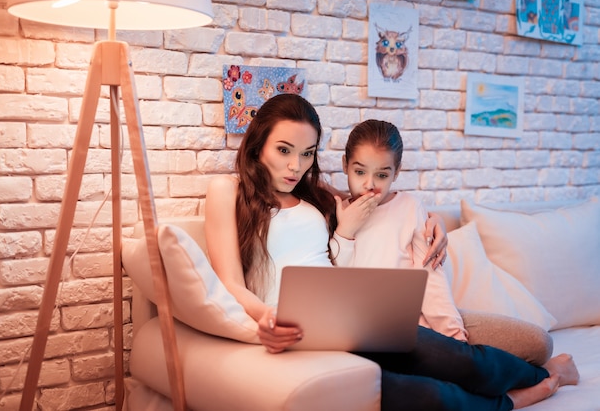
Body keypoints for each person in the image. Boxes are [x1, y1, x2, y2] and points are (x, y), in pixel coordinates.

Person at [205, 93, 579, 410]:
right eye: (284, 150)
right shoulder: (226, 191)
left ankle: (551, 373)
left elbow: (377, 198)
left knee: (457, 360)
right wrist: (265, 316)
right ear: (258, 143)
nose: (295, 166)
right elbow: (230, 284)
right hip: (294, 330)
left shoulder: (313, 194)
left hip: (355, 316)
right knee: (428, 395)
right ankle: (523, 396)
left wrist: (433, 221)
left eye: (307, 154)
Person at [330, 119, 467, 342]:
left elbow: (431, 276)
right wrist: (345, 231)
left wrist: (454, 335)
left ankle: (543, 373)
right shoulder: (336, 212)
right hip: (360, 331)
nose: (369, 184)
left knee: (534, 342)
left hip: (415, 328)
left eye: (382, 175)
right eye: (360, 172)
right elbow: (333, 282)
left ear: (396, 172)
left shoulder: (410, 207)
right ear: (345, 164)